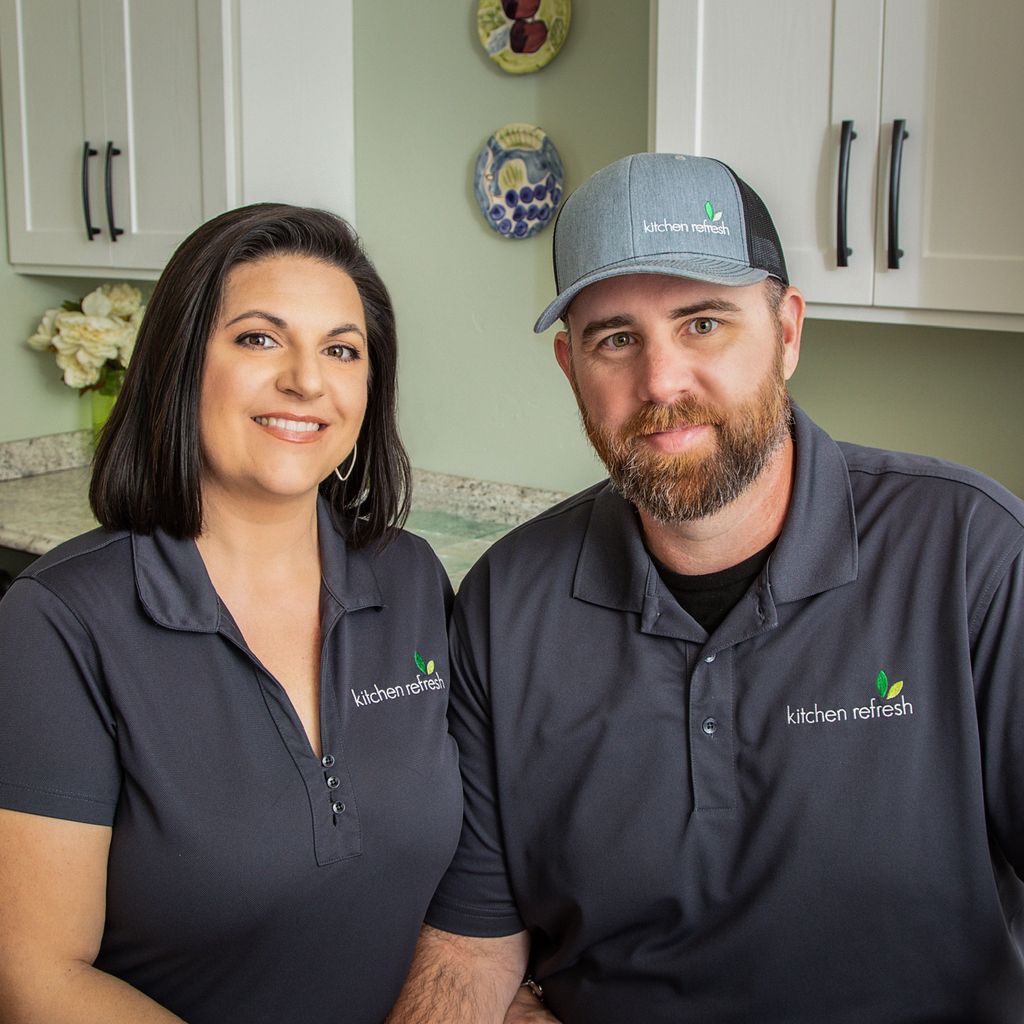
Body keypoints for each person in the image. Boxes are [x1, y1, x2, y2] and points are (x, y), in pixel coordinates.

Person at [387, 153, 1024, 1023]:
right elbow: (472, 942)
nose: (662, 383)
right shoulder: (508, 601)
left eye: (704, 324)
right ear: (571, 366)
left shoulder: (970, 554)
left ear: (788, 332)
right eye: (617, 338)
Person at [0, 204, 462, 1023]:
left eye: (341, 350)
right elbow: (38, 978)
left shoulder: (415, 581)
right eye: (258, 338)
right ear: (181, 364)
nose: (306, 381)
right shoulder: (60, 622)